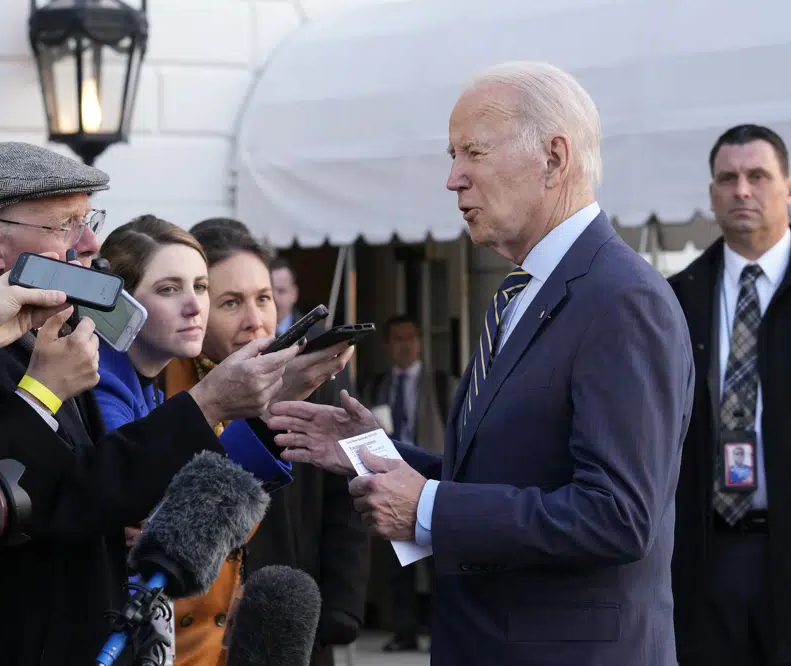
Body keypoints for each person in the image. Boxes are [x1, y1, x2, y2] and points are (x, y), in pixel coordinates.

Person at [267, 61, 694, 666]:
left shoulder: (623, 300)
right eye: (451, 154)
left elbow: (619, 517)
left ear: (554, 157)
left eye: (473, 152)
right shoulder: (526, 291)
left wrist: (429, 508)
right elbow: (511, 471)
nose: (452, 179)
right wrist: (374, 453)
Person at [0, 142, 302, 666]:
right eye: (66, 225)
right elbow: (48, 502)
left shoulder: (47, 325)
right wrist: (203, 403)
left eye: (89, 220)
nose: (90, 242)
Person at [94, 216, 355, 666]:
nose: (194, 306)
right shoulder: (110, 382)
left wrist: (339, 611)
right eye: (169, 289)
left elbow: (340, 506)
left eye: (200, 288)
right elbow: (163, 512)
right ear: (121, 305)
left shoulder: (149, 381)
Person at [161, 219, 370, 666]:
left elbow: (344, 502)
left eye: (264, 299)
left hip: (287, 627)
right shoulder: (162, 381)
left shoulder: (313, 375)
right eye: (231, 302)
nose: (256, 321)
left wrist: (336, 613)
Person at [669, 124, 791, 666]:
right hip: (710, 555)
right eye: (727, 179)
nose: (742, 190)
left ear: (790, 189)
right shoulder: (676, 301)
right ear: (712, 195)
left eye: (758, 176)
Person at [357, 314, 454, 652]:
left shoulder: (442, 384)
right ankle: (405, 630)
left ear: (420, 342)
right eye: (397, 339)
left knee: (439, 562)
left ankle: (442, 631)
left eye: (410, 338)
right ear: (387, 345)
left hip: (432, 481)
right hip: (390, 479)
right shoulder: (374, 386)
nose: (405, 345)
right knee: (400, 562)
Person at [269, 257, 300, 335]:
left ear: (294, 294)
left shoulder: (315, 335)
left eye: (281, 291)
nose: (274, 297)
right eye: (268, 291)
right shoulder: (250, 333)